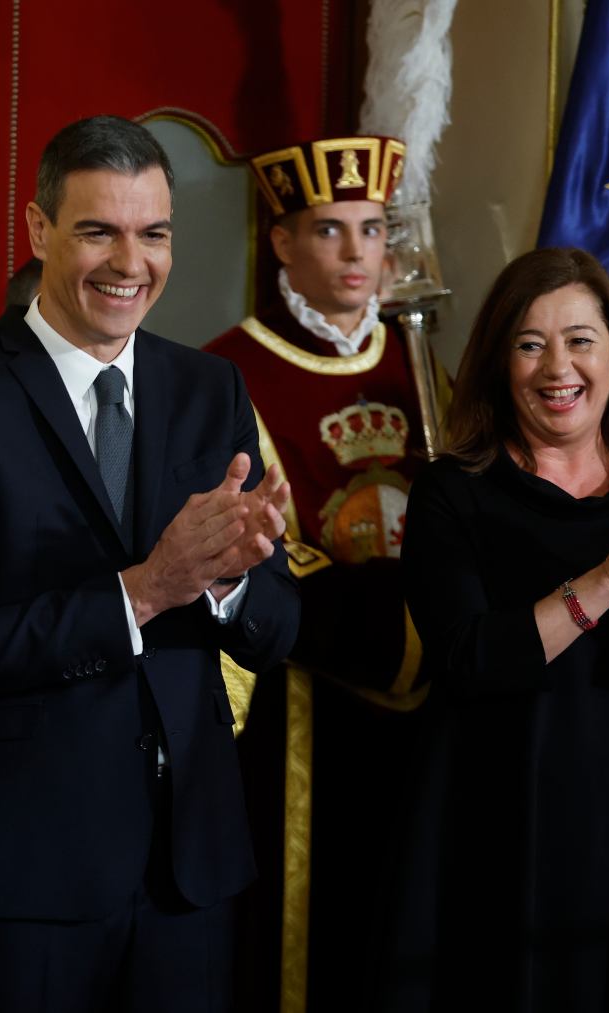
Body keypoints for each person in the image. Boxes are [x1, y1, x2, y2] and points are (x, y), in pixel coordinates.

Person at [0, 115, 301, 1011]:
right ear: (39, 231)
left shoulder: (209, 389)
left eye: (153, 234)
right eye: (98, 230)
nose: (130, 262)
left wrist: (227, 578)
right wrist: (145, 591)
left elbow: (278, 626)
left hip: (190, 871)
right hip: (24, 881)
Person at [376, 247, 609, 1011]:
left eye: (579, 340)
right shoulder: (451, 492)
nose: (556, 366)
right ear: (500, 361)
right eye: (529, 343)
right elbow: (469, 658)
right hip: (495, 819)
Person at [202, 135, 429, 1009]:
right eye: (329, 231)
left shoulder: (422, 363)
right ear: (283, 242)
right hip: (298, 695)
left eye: (371, 231)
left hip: (426, 685)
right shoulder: (230, 368)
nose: (355, 254)